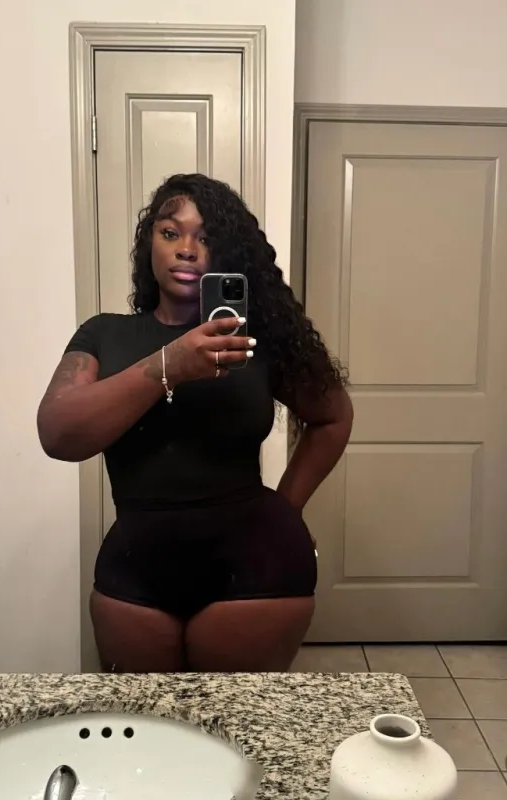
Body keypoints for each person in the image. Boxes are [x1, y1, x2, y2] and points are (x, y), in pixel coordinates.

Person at [37, 173, 353, 673]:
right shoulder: (104, 335)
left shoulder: (250, 337)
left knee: (234, 718)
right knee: (144, 718)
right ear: (150, 244)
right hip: (136, 569)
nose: (186, 249)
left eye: (206, 238)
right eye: (171, 232)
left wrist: (288, 509)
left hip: (258, 564)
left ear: (227, 253)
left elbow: (333, 416)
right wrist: (170, 365)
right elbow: (58, 433)